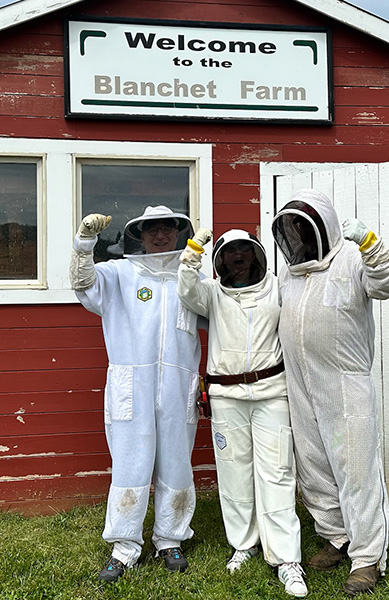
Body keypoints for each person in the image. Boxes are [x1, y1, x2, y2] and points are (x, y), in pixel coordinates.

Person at [271, 188, 389, 596]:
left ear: (324, 225)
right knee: (314, 468)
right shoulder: (288, 273)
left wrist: (371, 245)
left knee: (357, 472)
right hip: (299, 383)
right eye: (292, 227)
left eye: (304, 225)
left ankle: (367, 558)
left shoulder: (351, 260)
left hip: (346, 385)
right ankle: (337, 536)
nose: (298, 234)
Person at [69, 205, 203, 582]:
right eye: (151, 231)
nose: (159, 237)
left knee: (176, 461)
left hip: (178, 384)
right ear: (139, 236)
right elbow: (82, 284)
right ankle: (124, 545)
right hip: (131, 383)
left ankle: (170, 538)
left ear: (178, 232)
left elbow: (220, 312)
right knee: (130, 464)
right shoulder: (119, 273)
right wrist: (84, 243)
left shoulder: (190, 276)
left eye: (166, 229)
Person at [177, 228, 308, 598]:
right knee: (234, 471)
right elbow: (186, 288)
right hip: (227, 395)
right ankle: (243, 544)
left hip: (272, 393)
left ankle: (286, 559)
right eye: (230, 251)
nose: (237, 256)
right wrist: (192, 251)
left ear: (255, 255)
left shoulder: (278, 287)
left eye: (244, 251)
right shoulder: (212, 293)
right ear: (220, 259)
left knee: (278, 473)